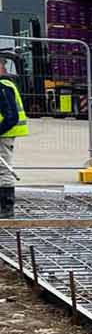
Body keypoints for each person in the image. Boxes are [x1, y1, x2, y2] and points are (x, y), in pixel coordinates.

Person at [0, 52, 29, 218]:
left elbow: (11, 116)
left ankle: (6, 208)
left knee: (3, 170)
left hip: (5, 135)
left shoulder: (3, 86)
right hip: (4, 133)